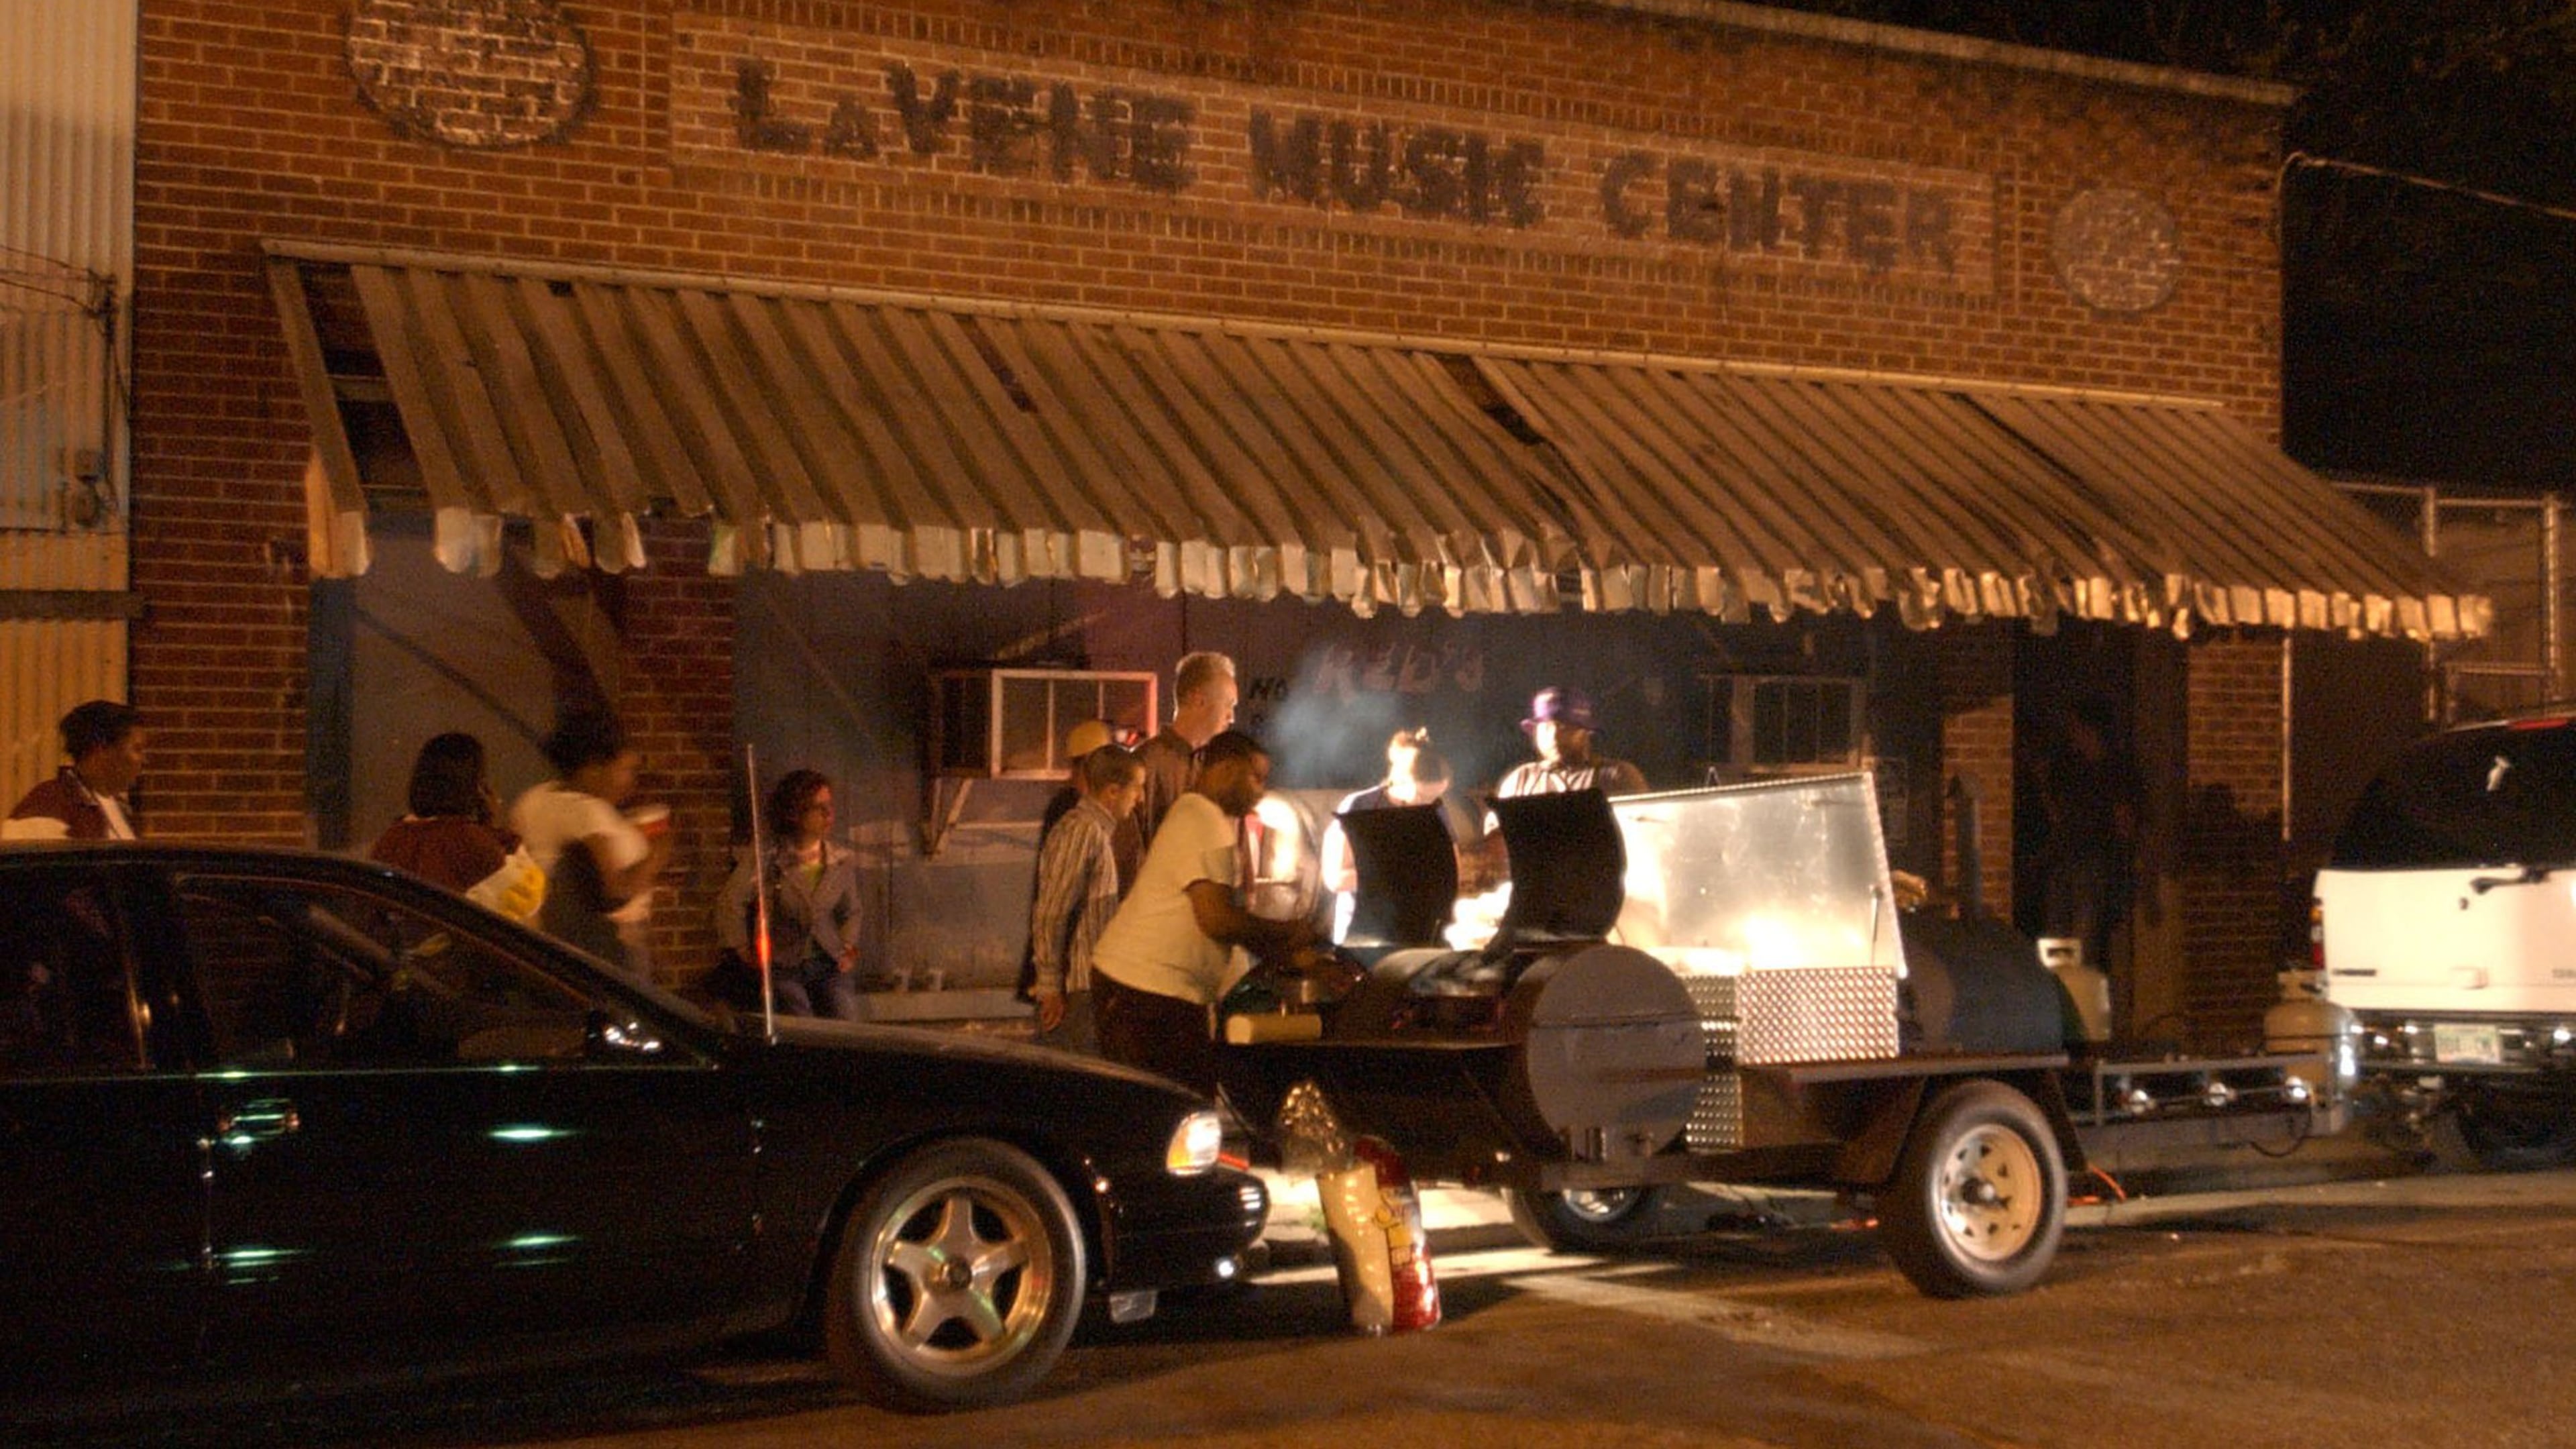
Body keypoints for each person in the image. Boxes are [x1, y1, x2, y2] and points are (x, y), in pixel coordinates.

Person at [1089, 731, 1311, 1094]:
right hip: (1145, 993)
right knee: (1181, 1111)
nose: (1262, 790)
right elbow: (1216, 919)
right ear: (1225, 768)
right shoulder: (1201, 817)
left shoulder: (1200, 816)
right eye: (1256, 776)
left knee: (1180, 1107)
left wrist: (1285, 954)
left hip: (1152, 992)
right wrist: (1287, 933)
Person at [509, 706, 669, 978]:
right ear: (593, 768)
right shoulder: (588, 812)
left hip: (546, 940)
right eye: (626, 770)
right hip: (605, 947)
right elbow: (616, 891)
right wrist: (659, 849)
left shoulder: (532, 799)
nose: (632, 783)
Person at [713, 769, 863, 1020]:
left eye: (830, 805)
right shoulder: (769, 858)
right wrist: (740, 947)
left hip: (828, 960)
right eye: (818, 807)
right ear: (796, 813)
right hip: (784, 963)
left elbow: (852, 910)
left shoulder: (840, 860)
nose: (828, 814)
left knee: (847, 1019)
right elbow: (732, 900)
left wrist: (848, 945)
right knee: (800, 1021)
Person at [1027, 743, 1146, 1053]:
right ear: (1112, 792)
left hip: (1089, 988)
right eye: (1136, 790)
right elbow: (1052, 911)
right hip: (1076, 992)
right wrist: (1051, 986)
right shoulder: (1083, 832)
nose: (1140, 799)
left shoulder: (1096, 832)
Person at [1318, 729, 1483, 942]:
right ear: (1400, 780)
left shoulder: (1435, 809)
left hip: (1416, 931)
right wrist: (1401, 875)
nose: (1428, 804)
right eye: (1422, 795)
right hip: (1365, 934)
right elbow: (1335, 879)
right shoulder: (1359, 806)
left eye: (1436, 797)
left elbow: (1451, 869)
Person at [2033, 696, 2141, 977]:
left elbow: (2124, 820)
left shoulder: (2114, 768)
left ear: (2091, 729)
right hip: (2064, 860)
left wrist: (2126, 863)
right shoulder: (2072, 767)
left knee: (2083, 938)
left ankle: (2078, 999)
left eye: (2076, 728)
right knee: (2056, 939)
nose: (2072, 735)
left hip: (2092, 862)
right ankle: (2060, 994)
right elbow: (2059, 815)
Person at [370, 732, 517, 893]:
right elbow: (510, 886)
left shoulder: (391, 839)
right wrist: (489, 821)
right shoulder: (469, 842)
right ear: (474, 785)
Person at [1136, 650, 1239, 846]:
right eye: (1228, 705)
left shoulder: (1223, 769)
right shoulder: (1145, 765)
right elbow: (1130, 854)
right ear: (1198, 699)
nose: (1232, 717)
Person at [5, 700, 146, 841]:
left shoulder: (120, 809)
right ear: (101, 750)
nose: (144, 760)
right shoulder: (48, 804)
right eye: (137, 749)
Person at [1494, 686, 1648, 799]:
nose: (1554, 736)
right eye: (1546, 727)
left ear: (1586, 732)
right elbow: (1496, 835)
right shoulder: (1521, 780)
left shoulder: (1618, 776)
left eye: (1565, 728)